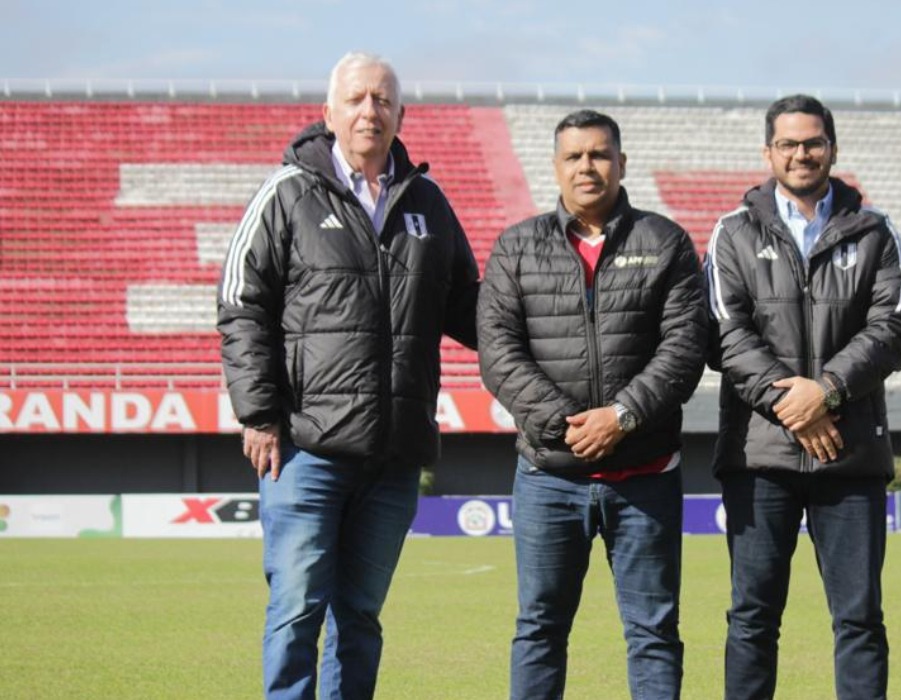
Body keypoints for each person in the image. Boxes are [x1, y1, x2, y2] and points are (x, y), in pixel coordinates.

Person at [217, 51, 479, 699]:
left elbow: (473, 309)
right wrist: (257, 413)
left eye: (383, 100)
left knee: (360, 617)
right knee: (296, 610)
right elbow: (241, 302)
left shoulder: (428, 202)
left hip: (394, 456)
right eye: (357, 99)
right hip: (305, 449)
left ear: (400, 116)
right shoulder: (287, 192)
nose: (370, 111)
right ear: (328, 113)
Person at [477, 109, 708, 700]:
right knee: (540, 628)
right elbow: (498, 354)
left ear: (621, 163)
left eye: (600, 154)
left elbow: (685, 349)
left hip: (646, 477)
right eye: (574, 156)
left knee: (653, 632)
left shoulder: (665, 242)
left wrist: (622, 417)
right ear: (555, 167)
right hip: (549, 478)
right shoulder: (517, 247)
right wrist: (570, 427)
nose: (587, 166)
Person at [704, 94, 901, 700]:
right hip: (759, 458)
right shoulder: (731, 233)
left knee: (859, 618)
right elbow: (723, 333)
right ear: (768, 152)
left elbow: (895, 326)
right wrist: (792, 407)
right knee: (752, 617)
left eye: (813, 143)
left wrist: (826, 391)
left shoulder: (876, 230)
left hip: (849, 456)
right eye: (789, 144)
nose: (802, 154)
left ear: (832, 149)